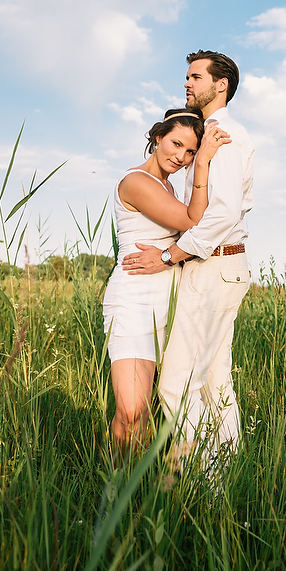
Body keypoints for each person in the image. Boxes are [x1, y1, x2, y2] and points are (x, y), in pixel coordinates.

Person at [122, 50, 253, 474]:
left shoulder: (220, 133)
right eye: (187, 77)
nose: (187, 84)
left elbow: (222, 212)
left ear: (221, 85)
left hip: (212, 265)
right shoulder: (215, 134)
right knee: (217, 383)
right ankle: (225, 479)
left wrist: (168, 255)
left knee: (177, 385)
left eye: (195, 77)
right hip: (223, 264)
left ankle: (202, 484)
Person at [102, 106, 231, 456]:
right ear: (157, 138)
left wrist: (167, 255)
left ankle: (137, 488)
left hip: (169, 301)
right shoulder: (136, 181)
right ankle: (115, 490)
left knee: (148, 407)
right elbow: (193, 221)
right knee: (130, 409)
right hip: (134, 298)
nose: (182, 156)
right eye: (176, 144)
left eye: (190, 151)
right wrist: (204, 162)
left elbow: (190, 238)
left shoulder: (167, 186)